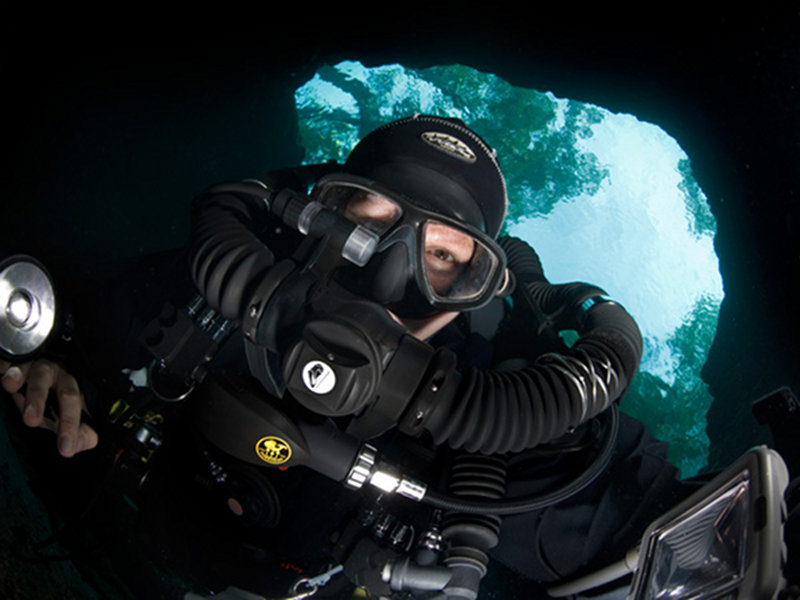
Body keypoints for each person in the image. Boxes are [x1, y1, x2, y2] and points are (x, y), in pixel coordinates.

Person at [1, 115, 689, 598]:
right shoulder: (208, 293)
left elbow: (637, 525)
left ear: (473, 294)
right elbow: (71, 312)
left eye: (443, 259)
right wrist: (61, 363)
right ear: (311, 220)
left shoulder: (487, 423)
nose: (390, 280)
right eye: (367, 224)